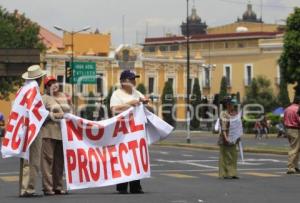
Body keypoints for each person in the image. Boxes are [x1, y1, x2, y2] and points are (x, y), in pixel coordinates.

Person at [110, 70, 150, 194]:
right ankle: (122, 186)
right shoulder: (117, 94)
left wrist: (146, 101)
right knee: (123, 157)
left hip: (136, 131)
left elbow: (146, 103)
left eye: (134, 79)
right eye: (131, 79)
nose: (134, 81)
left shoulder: (137, 92)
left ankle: (135, 185)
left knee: (136, 156)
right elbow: (114, 110)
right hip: (123, 131)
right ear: (123, 82)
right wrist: (130, 103)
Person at [40, 76, 71, 195]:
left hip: (61, 133)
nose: (53, 85)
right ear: (47, 87)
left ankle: (58, 186)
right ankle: (48, 188)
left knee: (59, 162)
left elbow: (69, 112)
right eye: (50, 84)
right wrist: (56, 115)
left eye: (55, 83)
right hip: (48, 133)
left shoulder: (63, 97)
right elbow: (41, 115)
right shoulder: (44, 98)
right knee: (48, 162)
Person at [19, 65, 46, 197]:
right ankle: (29, 188)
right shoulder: (34, 90)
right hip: (33, 127)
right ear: (39, 78)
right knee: (33, 159)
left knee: (25, 159)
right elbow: (37, 110)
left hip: (23, 127)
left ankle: (23, 187)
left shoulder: (23, 89)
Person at [218, 97, 240, 179]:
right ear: (227, 105)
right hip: (225, 135)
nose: (233, 106)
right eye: (231, 104)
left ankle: (232, 173)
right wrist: (225, 137)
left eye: (233, 105)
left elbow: (238, 125)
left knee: (233, 155)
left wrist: (238, 135)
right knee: (224, 155)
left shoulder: (235, 113)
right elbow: (223, 125)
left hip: (234, 135)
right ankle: (223, 173)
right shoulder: (223, 113)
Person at [283, 96, 300, 174]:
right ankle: (290, 167)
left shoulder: (287, 108)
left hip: (288, 129)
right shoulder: (297, 109)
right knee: (294, 148)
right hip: (295, 129)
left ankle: (295, 166)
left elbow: (284, 119)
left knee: (296, 148)